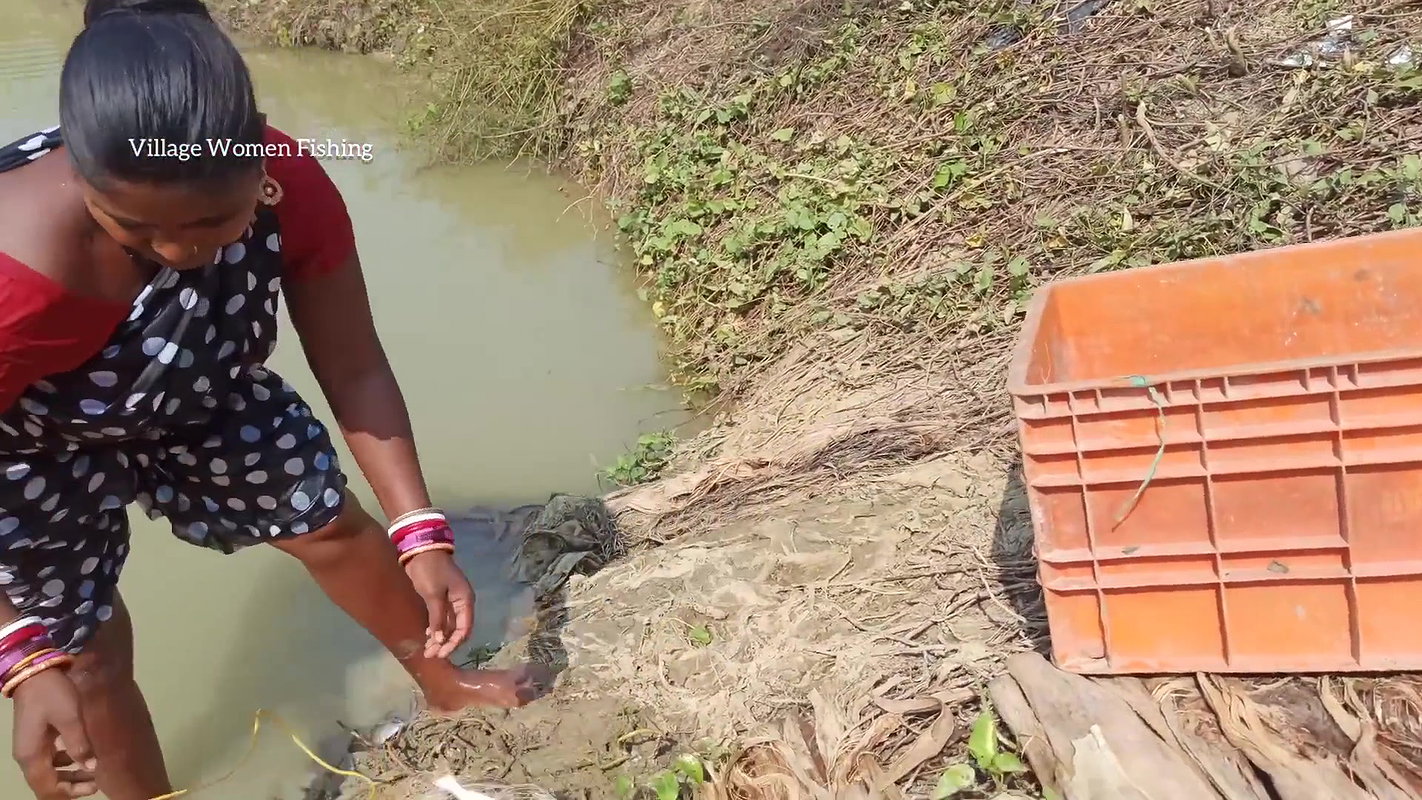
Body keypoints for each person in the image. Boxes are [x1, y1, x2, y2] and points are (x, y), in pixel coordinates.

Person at [0, 1, 545, 798]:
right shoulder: (17, 275)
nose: (182, 251)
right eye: (135, 232)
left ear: (258, 159)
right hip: (26, 439)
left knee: (330, 523)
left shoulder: (291, 181)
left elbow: (353, 364)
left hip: (196, 390)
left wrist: (420, 531)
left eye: (217, 218)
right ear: (79, 176)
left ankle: (445, 684)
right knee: (84, 660)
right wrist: (22, 653)